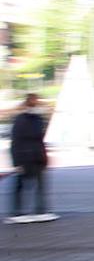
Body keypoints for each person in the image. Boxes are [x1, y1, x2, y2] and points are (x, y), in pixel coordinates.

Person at [6, 94, 58, 225]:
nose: (38, 105)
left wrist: (44, 157)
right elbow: (16, 142)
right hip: (25, 157)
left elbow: (41, 138)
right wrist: (17, 162)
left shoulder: (38, 119)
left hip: (37, 157)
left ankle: (40, 211)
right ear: (30, 103)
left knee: (40, 185)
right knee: (21, 186)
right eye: (36, 102)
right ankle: (18, 213)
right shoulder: (21, 120)